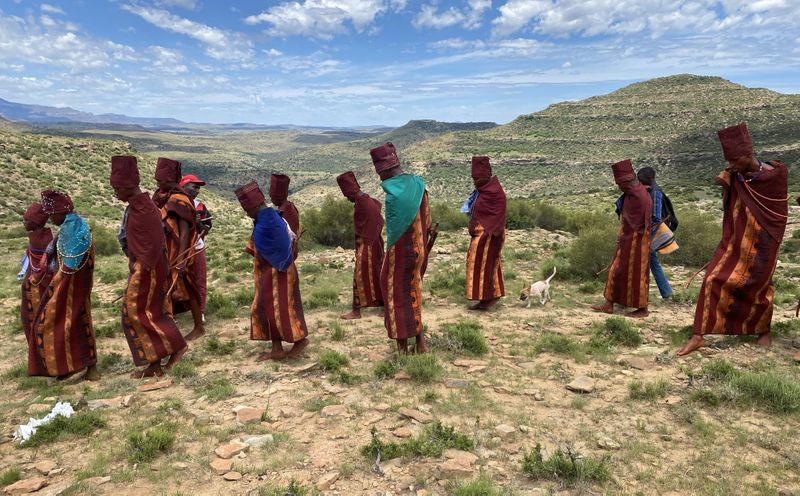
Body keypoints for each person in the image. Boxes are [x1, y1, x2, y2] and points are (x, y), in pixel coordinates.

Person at [678, 122, 788, 356]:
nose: (731, 165)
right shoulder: (736, 176)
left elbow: (778, 212)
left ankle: (763, 330)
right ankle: (698, 335)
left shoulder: (775, 176)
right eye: (729, 161)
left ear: (749, 155)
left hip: (765, 242)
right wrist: (729, 178)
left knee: (758, 287)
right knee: (712, 280)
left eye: (735, 160)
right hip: (735, 241)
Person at [112, 156, 188, 378]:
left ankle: (166, 354)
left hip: (148, 268)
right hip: (144, 266)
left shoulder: (145, 209)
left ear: (127, 186)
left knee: (137, 312)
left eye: (117, 188)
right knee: (148, 311)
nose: (115, 193)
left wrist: (142, 267)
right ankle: (160, 358)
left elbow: (154, 243)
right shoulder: (139, 206)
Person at [371, 142, 437, 354]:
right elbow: (427, 222)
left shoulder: (395, 194)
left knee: (393, 292)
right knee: (413, 291)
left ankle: (402, 347)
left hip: (401, 253)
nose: (380, 178)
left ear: (386, 169)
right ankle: (420, 342)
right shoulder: (419, 184)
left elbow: (394, 232)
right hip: (420, 249)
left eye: (380, 173)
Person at [236, 180, 309, 360]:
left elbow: (272, 250)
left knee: (281, 308)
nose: (247, 215)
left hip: (278, 272)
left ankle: (300, 340)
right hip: (270, 272)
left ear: (256, 206)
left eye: (248, 211)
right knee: (267, 308)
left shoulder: (268, 222)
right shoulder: (267, 217)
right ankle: (276, 348)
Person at [31, 190, 99, 380]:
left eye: (52, 215)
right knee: (74, 321)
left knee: (62, 320)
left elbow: (70, 265)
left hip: (72, 284)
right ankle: (73, 366)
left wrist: (56, 284)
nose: (51, 219)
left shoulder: (73, 229)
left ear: (61, 212)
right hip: (72, 283)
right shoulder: (72, 225)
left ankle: (85, 367)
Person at [592, 159, 652, 318]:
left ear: (627, 182)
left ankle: (642, 309)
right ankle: (609, 304)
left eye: (620, 184)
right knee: (617, 271)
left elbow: (639, 222)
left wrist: (626, 236)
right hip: (629, 240)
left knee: (637, 275)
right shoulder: (633, 193)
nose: (619, 187)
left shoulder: (639, 196)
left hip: (637, 243)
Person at [152, 157, 204, 341]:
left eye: (160, 181)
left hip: (179, 253)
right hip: (166, 251)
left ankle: (198, 327)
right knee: (170, 289)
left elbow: (184, 232)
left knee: (188, 288)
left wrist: (181, 258)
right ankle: (170, 330)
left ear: (169, 180)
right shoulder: (163, 196)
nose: (158, 184)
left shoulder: (180, 200)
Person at [616, 167, 679, 300]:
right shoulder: (646, 191)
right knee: (653, 263)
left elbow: (655, 217)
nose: (639, 181)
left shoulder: (655, 193)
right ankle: (667, 293)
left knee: (643, 264)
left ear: (650, 179)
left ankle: (638, 296)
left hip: (647, 234)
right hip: (643, 233)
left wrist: (646, 236)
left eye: (641, 179)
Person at [336, 171, 385, 320]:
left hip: (368, 244)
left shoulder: (363, 202)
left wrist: (366, 240)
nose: (347, 198)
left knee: (360, 275)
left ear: (351, 191)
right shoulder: (366, 199)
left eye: (347, 195)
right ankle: (383, 307)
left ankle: (356, 311)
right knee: (376, 274)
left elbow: (376, 221)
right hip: (372, 243)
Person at [463, 156, 506, 310]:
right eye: (473, 178)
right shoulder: (482, 190)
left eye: (477, 178)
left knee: (481, 265)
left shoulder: (494, 192)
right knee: (487, 265)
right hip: (482, 234)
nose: (475, 181)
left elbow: (495, 216)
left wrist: (487, 231)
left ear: (486, 176)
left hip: (489, 234)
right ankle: (488, 297)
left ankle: (487, 298)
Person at [19, 202, 54, 376]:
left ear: (36, 221)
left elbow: (48, 266)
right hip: (32, 286)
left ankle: (48, 363)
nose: (24, 223)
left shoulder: (44, 239)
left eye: (26, 220)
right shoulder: (36, 237)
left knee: (42, 322)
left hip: (41, 288)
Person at [180, 174, 212, 320]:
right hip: (175, 249)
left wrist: (199, 223)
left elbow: (207, 227)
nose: (197, 190)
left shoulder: (199, 206)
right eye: (194, 186)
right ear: (183, 185)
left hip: (196, 247)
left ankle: (201, 311)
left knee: (199, 279)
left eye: (198, 187)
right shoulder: (174, 203)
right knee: (174, 279)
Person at [269, 173, 300, 258]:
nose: (271, 199)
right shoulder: (291, 206)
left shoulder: (284, 212)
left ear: (277, 197)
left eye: (272, 197)